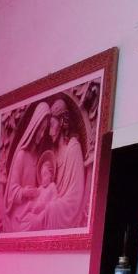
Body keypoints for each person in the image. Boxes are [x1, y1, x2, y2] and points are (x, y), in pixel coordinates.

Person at [27, 97, 86, 230]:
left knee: (47, 211)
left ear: (61, 122)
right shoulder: (53, 152)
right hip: (49, 205)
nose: (48, 132)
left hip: (64, 209)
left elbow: (75, 198)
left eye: (51, 125)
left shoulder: (73, 148)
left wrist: (50, 206)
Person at [1, 101, 50, 232]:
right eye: (40, 128)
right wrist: (24, 192)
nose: (42, 133)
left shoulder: (38, 157)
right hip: (19, 213)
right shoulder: (21, 155)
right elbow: (11, 191)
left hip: (32, 207)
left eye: (44, 130)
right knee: (36, 224)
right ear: (34, 126)